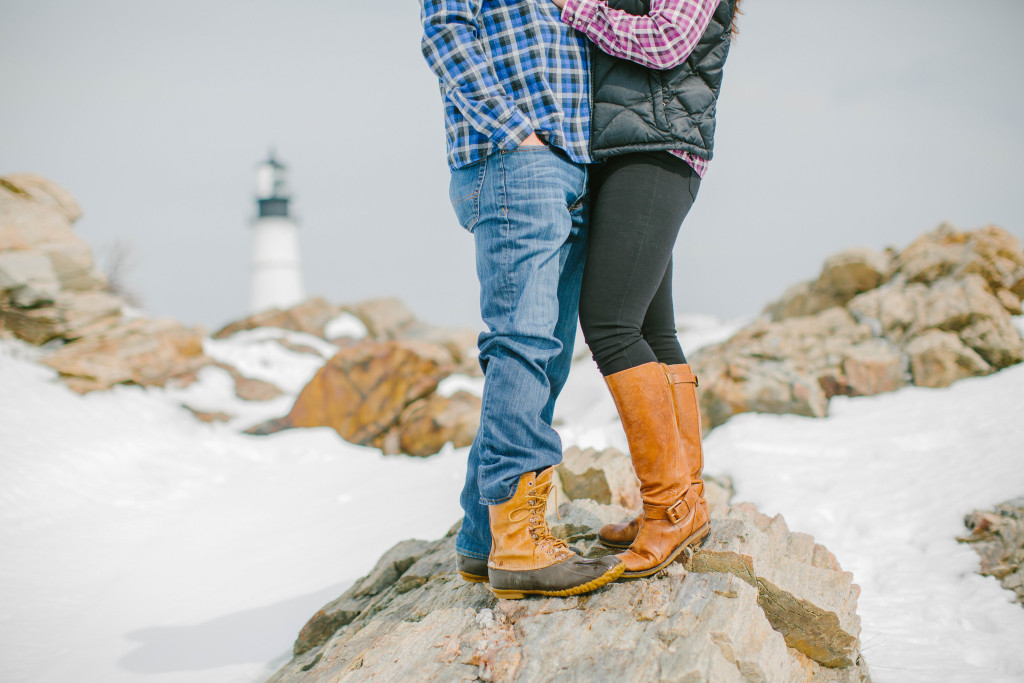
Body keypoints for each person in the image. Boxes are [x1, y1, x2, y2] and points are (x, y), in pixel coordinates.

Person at [419, 0, 624, 597]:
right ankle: (520, 546)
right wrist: (519, 135)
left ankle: (485, 539)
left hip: (576, 164)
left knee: (546, 357)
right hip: (518, 161)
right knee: (524, 343)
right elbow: (444, 35)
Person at [549, 0, 740, 577]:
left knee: (610, 322)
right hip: (625, 149)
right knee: (654, 330)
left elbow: (664, 42)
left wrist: (573, 9)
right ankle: (686, 500)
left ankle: (671, 507)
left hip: (658, 148)